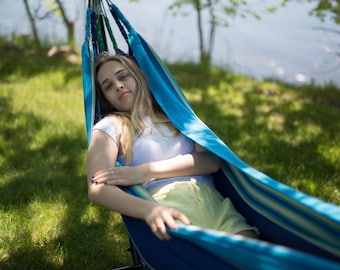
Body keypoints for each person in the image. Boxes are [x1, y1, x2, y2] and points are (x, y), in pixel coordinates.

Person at [87, 52, 258, 240]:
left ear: (138, 76)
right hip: (169, 207)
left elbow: (209, 161)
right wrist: (150, 210)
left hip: (215, 202)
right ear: (106, 99)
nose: (118, 86)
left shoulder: (175, 113)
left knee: (255, 255)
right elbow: (97, 188)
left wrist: (144, 171)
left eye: (123, 76)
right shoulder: (111, 126)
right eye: (108, 86)